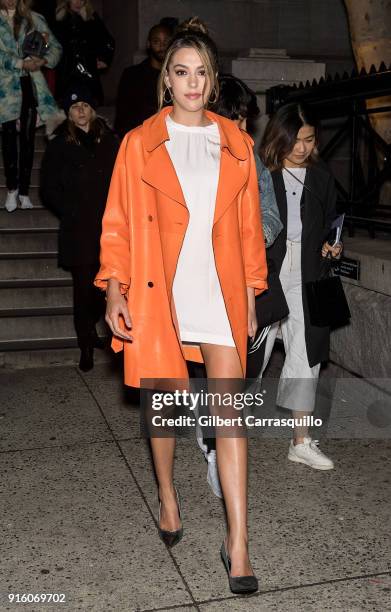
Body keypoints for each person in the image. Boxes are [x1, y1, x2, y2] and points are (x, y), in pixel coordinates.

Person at [95, 18, 268, 595]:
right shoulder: (139, 143)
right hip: (158, 294)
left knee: (231, 419)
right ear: (165, 79)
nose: (192, 83)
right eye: (181, 71)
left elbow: (247, 233)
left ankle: (237, 541)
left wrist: (249, 297)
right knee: (165, 410)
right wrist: (114, 288)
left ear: (213, 81)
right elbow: (117, 223)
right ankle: (168, 496)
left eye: (202, 73)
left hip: (217, 294)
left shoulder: (236, 143)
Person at [201, 73, 283, 498]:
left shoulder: (250, 158)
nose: (244, 129)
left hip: (246, 284)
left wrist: (252, 232)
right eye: (237, 118)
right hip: (201, 285)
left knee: (246, 372)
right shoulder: (189, 158)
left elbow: (271, 215)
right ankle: (216, 450)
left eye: (247, 120)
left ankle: (214, 429)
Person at [258, 102, 342, 470]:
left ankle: (301, 440)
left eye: (309, 140)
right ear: (280, 136)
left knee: (306, 355)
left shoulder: (322, 177)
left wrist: (333, 244)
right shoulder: (262, 173)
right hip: (267, 269)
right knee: (252, 353)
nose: (303, 147)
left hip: (309, 270)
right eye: (296, 139)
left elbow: (331, 222)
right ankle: (223, 435)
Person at [40, 84, 119, 371]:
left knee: (105, 289)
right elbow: (47, 188)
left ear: (92, 109)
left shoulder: (110, 140)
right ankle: (86, 345)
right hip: (79, 231)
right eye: (75, 107)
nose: (81, 111)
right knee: (83, 291)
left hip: (109, 229)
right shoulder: (60, 144)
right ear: (68, 113)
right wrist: (70, 211)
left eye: (85, 105)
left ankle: (95, 330)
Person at [0, 0, 62, 212]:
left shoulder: (34, 19)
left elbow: (55, 48)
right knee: (8, 138)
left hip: (30, 84)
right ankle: (12, 189)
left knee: (28, 138)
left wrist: (41, 61)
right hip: (5, 88)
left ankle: (25, 192)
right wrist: (19, 63)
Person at [114, 22, 172, 137]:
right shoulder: (132, 75)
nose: (162, 46)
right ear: (148, 44)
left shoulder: (178, 75)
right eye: (157, 41)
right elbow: (122, 114)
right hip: (140, 138)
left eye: (166, 42)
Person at [54, 0, 114, 105]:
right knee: (66, 102)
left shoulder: (92, 18)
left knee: (89, 102)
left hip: (88, 68)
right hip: (66, 69)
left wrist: (104, 58)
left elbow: (107, 40)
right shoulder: (58, 18)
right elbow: (51, 42)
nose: (78, 2)